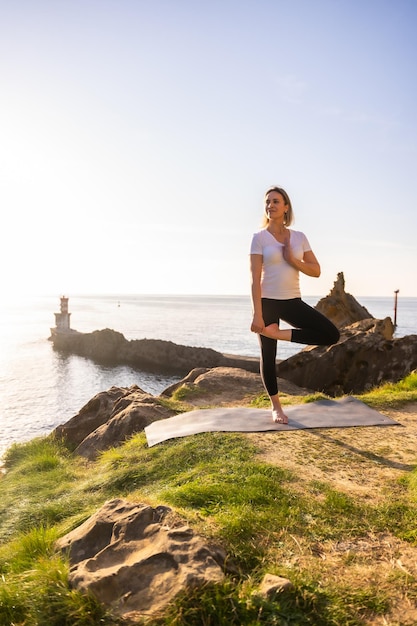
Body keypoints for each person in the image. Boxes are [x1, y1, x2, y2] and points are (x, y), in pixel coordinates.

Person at [250, 186, 340, 424]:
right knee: (268, 356)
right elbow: (254, 280)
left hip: (292, 300)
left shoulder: (299, 237)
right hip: (268, 301)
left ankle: (280, 335)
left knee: (331, 334)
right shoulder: (258, 238)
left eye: (276, 201)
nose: (270, 205)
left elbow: (316, 271)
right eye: (267, 202)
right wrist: (257, 316)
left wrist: (293, 259)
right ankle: (276, 407)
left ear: (286, 206)